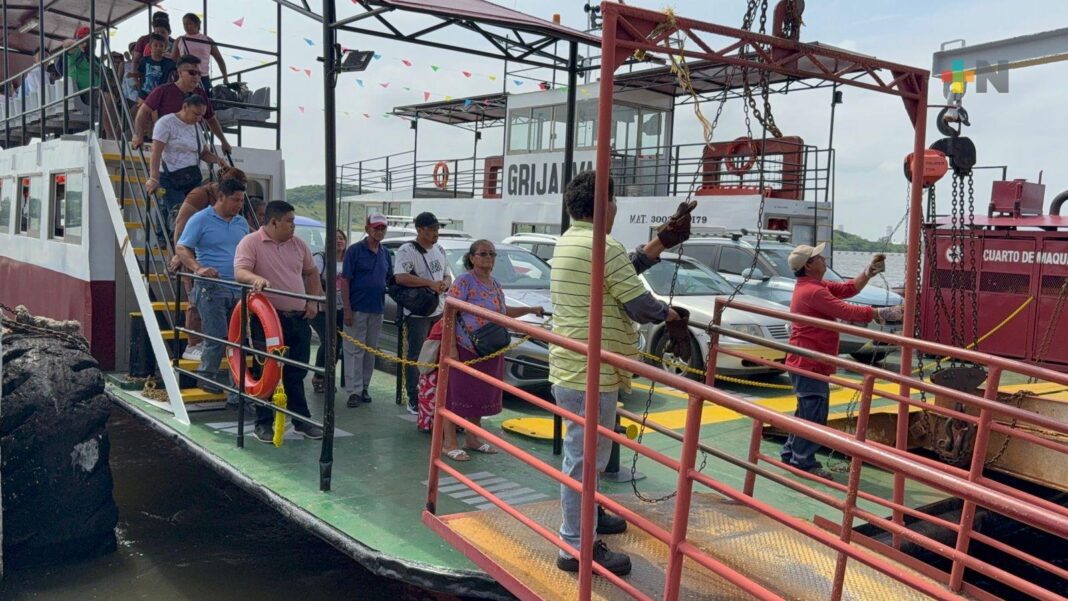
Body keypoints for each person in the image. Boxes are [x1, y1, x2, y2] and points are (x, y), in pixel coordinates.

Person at [549, 171, 695, 576]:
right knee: (584, 461)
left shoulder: (570, 240)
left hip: (573, 366)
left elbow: (620, 271)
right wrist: (671, 317)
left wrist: (660, 242)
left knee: (586, 457)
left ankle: (589, 516)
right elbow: (638, 303)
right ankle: (575, 546)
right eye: (614, 202)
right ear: (606, 206)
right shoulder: (603, 245)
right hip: (589, 373)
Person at [781, 244, 903, 479]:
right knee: (813, 413)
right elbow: (847, 311)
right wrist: (880, 313)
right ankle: (802, 461)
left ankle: (791, 452)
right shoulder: (813, 291)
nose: (824, 259)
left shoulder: (814, 286)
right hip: (809, 360)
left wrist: (868, 272)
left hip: (807, 360)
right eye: (818, 257)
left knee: (807, 410)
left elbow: (848, 289)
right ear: (809, 265)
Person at [441, 240, 543, 459]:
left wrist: (529, 310)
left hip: (490, 349)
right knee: (455, 395)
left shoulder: (495, 283)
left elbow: (502, 312)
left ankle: (472, 437)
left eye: (492, 254)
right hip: (466, 348)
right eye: (483, 253)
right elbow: (449, 313)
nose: (489, 257)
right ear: (472, 258)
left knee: (480, 395)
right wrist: (451, 348)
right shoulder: (464, 282)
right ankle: (449, 443)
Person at [234, 200, 325, 443]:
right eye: (289, 221)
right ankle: (263, 423)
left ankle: (301, 421)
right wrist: (255, 279)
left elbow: (311, 272)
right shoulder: (251, 242)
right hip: (266, 321)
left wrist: (313, 301)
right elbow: (240, 272)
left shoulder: (299, 244)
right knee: (266, 371)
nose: (293, 226)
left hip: (298, 318)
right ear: (274, 222)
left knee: (297, 371)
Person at [175, 178, 249, 392]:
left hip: (238, 287)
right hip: (212, 287)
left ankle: (237, 387)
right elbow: (182, 247)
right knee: (216, 335)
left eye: (241, 201)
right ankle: (207, 377)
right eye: (235, 200)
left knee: (238, 339)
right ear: (221, 197)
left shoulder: (241, 223)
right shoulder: (201, 219)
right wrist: (198, 268)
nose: (239, 205)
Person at [393, 212, 452, 414]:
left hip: (438, 309)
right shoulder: (407, 250)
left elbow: (447, 274)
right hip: (418, 312)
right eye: (432, 229)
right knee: (417, 354)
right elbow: (400, 277)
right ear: (420, 230)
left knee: (437, 354)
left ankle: (433, 393)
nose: (436, 233)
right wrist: (430, 283)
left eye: (437, 228)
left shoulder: (440, 250)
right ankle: (414, 397)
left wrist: (444, 284)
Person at [145, 93, 223, 232]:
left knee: (195, 213)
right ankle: (169, 239)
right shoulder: (166, 123)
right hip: (169, 177)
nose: (198, 118)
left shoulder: (196, 127)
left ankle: (170, 236)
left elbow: (203, 153)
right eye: (196, 114)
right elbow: (156, 152)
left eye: (201, 115)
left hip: (191, 177)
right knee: (179, 214)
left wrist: (218, 160)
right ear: (185, 107)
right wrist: (153, 178)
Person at [340, 214, 392, 407]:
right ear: (367, 229)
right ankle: (353, 391)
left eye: (383, 228)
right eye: (376, 228)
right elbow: (345, 280)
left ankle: (364, 387)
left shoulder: (385, 253)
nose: (379, 231)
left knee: (370, 350)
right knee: (354, 350)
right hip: (357, 308)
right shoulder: (354, 251)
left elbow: (389, 279)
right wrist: (347, 309)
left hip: (377, 308)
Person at [132, 54, 232, 154]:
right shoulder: (163, 90)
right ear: (180, 72)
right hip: (168, 147)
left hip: (191, 146)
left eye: (199, 74)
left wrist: (224, 142)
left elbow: (211, 119)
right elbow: (143, 111)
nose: (196, 77)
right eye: (192, 72)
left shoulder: (201, 93)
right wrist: (138, 135)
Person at [59, 25, 117, 139]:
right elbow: (65, 44)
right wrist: (77, 43)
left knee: (135, 106)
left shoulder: (96, 60)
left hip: (101, 92)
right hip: (85, 94)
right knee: (107, 98)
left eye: (93, 40)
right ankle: (110, 137)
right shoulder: (76, 53)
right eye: (89, 40)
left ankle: (118, 135)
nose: (93, 43)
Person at [311, 229, 347, 395]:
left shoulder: (348, 259)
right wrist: (322, 298)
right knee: (328, 340)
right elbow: (314, 278)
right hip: (321, 309)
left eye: (341, 238)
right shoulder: (321, 258)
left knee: (337, 344)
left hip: (341, 308)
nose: (339, 241)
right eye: (335, 238)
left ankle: (329, 376)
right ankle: (319, 376)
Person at [170, 13, 228, 93]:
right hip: (185, 76)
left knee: (205, 98)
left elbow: (219, 59)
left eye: (189, 23)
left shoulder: (208, 40)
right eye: (184, 24)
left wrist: (225, 78)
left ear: (197, 24)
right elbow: (173, 58)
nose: (186, 26)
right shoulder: (180, 40)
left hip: (203, 77)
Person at [134, 33, 176, 101]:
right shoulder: (144, 60)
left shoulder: (169, 63)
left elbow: (179, 68)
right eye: (155, 45)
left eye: (161, 46)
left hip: (161, 95)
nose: (158, 48)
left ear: (165, 48)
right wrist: (136, 81)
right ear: (150, 47)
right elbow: (138, 73)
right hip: (144, 94)